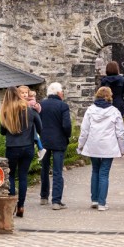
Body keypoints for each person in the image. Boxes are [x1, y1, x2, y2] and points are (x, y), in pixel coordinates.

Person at [78, 86, 124, 211]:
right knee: (104, 173)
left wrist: (80, 145)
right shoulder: (114, 111)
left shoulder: (90, 110)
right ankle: (102, 203)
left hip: (93, 144)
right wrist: (122, 148)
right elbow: (120, 132)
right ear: (109, 96)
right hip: (108, 145)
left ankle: (94, 199)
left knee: (95, 171)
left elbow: (84, 130)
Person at [0, 87, 41, 218]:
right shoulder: (30, 111)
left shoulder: (6, 112)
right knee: (23, 176)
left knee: (11, 176)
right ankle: (21, 206)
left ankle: (11, 205)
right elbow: (40, 127)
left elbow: (2, 132)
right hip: (27, 147)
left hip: (12, 147)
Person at [38, 82, 71, 210]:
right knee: (57, 171)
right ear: (58, 93)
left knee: (44, 169)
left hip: (44, 141)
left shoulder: (41, 104)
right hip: (58, 141)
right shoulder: (63, 106)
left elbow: (37, 122)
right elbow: (66, 125)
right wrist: (67, 136)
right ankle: (56, 201)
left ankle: (44, 196)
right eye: (62, 91)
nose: (63, 93)